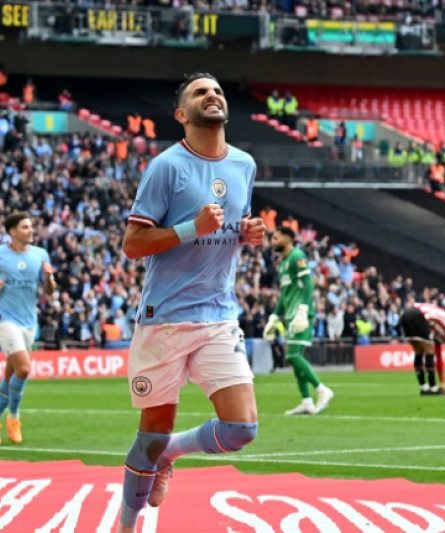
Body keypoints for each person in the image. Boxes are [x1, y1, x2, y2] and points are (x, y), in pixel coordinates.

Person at [117, 73, 266, 533]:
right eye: (200, 92)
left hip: (218, 314)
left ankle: (172, 454)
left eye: (217, 90)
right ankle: (126, 526)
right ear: (182, 114)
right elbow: (133, 243)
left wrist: (246, 232)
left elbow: (228, 224)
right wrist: (189, 229)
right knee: (148, 438)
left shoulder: (244, 164)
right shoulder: (166, 166)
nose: (213, 95)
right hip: (165, 319)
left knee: (242, 429)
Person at [0, 212, 56, 446]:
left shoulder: (40, 254)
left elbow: (49, 292)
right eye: (25, 227)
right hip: (3, 317)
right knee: (23, 369)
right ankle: (14, 418)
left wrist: (49, 279)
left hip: (28, 320)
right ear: (13, 231)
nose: (31, 230)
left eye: (31, 227)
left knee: (11, 373)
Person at [263, 226, 335, 415]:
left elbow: (309, 285)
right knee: (296, 358)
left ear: (288, 238)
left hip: (301, 314)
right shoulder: (283, 263)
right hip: (290, 316)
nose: (273, 241)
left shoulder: (297, 256)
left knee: (292, 355)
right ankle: (306, 401)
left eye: (276, 237)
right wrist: (274, 317)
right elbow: (284, 294)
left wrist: (302, 311)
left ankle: (322, 389)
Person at [399, 302, 445, 395]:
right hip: (419, 315)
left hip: (406, 314)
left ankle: (424, 388)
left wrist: (442, 383)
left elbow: (440, 355)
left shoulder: (443, 329)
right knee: (429, 351)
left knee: (418, 351)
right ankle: (433, 388)